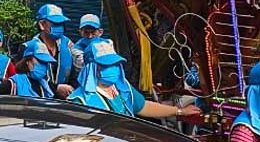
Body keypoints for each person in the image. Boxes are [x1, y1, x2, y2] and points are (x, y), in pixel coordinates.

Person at [68, 38, 202, 120]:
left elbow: (142, 106)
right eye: (106, 65)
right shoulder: (78, 101)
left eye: (115, 64)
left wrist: (179, 111)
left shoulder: (121, 86)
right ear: (92, 68)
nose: (113, 68)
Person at [35, 4, 82, 98]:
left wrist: (71, 88)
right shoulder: (31, 48)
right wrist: (55, 88)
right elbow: (28, 81)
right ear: (42, 24)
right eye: (55, 23)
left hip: (65, 101)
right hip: (39, 100)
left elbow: (75, 74)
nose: (59, 27)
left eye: (61, 23)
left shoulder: (68, 45)